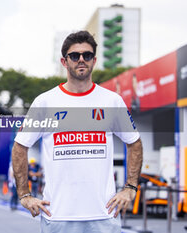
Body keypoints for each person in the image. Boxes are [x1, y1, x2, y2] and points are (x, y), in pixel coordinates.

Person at [12, 31, 143, 233]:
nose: (81, 59)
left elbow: (134, 143)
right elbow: (20, 147)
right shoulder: (45, 102)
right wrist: (24, 194)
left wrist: (130, 188)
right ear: (64, 62)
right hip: (57, 217)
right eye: (75, 56)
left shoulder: (111, 101)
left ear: (94, 60)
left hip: (104, 217)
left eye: (87, 55)